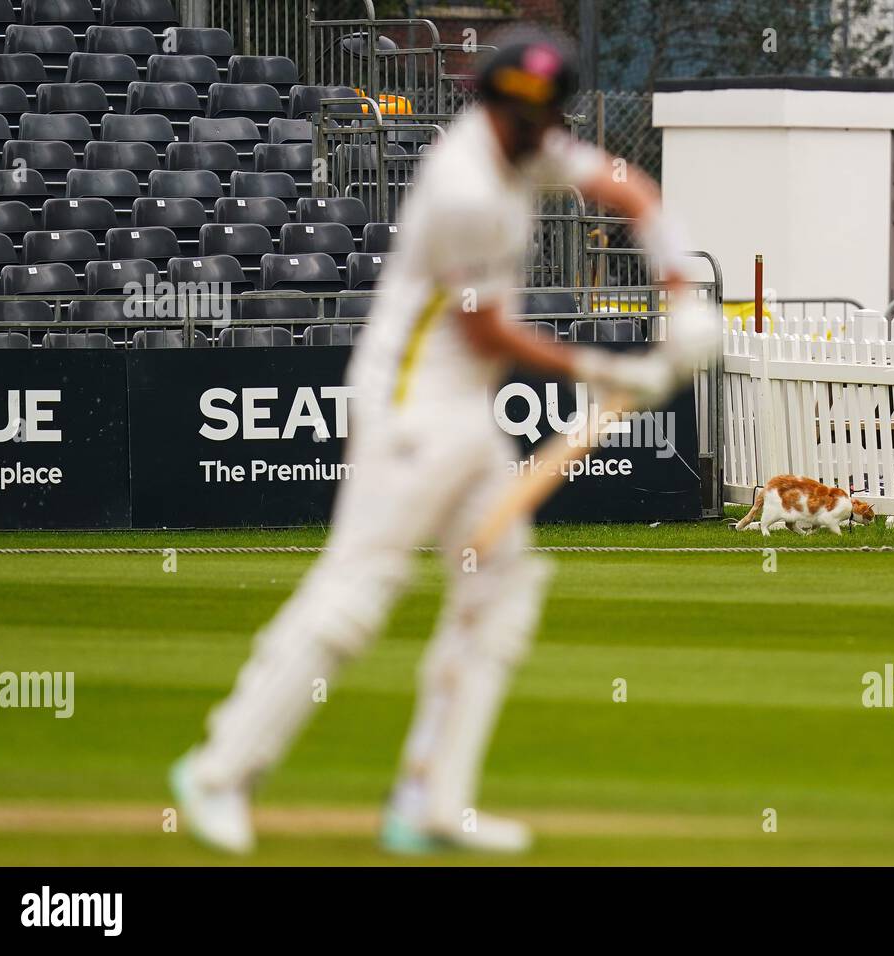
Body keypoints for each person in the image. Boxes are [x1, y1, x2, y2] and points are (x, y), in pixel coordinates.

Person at [170, 33, 691, 855]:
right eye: (520, 114)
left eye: (544, 116)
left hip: (464, 418)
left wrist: (680, 286)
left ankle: (430, 799)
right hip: (408, 414)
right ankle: (218, 771)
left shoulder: (532, 146)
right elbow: (483, 330)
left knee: (503, 587)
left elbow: (630, 187)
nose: (535, 130)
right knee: (355, 595)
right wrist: (601, 366)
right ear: (491, 106)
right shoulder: (464, 188)